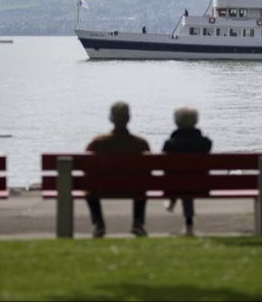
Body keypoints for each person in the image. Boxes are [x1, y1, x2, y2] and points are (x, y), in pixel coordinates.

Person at [85, 101, 150, 238]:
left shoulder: (98, 143)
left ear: (111, 118)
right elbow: (148, 172)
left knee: (88, 186)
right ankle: (137, 223)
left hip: (101, 188)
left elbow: (86, 168)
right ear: (129, 118)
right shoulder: (140, 144)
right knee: (142, 184)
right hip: (134, 188)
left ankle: (99, 224)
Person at [162, 106, 212, 236]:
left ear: (176, 122)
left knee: (181, 178)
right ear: (196, 121)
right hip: (201, 185)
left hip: (173, 187)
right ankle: (188, 224)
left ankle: (174, 202)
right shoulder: (205, 143)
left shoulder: (170, 144)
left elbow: (165, 167)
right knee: (188, 179)